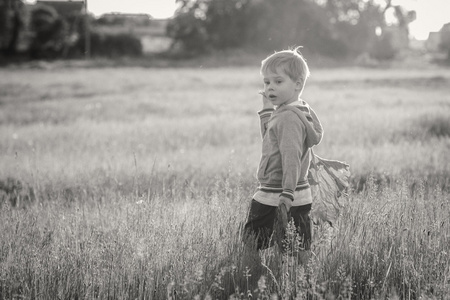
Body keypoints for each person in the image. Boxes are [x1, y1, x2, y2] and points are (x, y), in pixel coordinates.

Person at [243, 47, 323, 259]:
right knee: (298, 249)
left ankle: (250, 279)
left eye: (278, 82)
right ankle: (306, 283)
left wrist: (286, 194)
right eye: (267, 82)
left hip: (276, 194)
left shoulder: (288, 118)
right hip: (300, 194)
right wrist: (267, 111)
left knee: (250, 245)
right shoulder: (298, 110)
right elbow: (270, 138)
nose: (270, 87)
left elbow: (291, 157)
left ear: (297, 84)